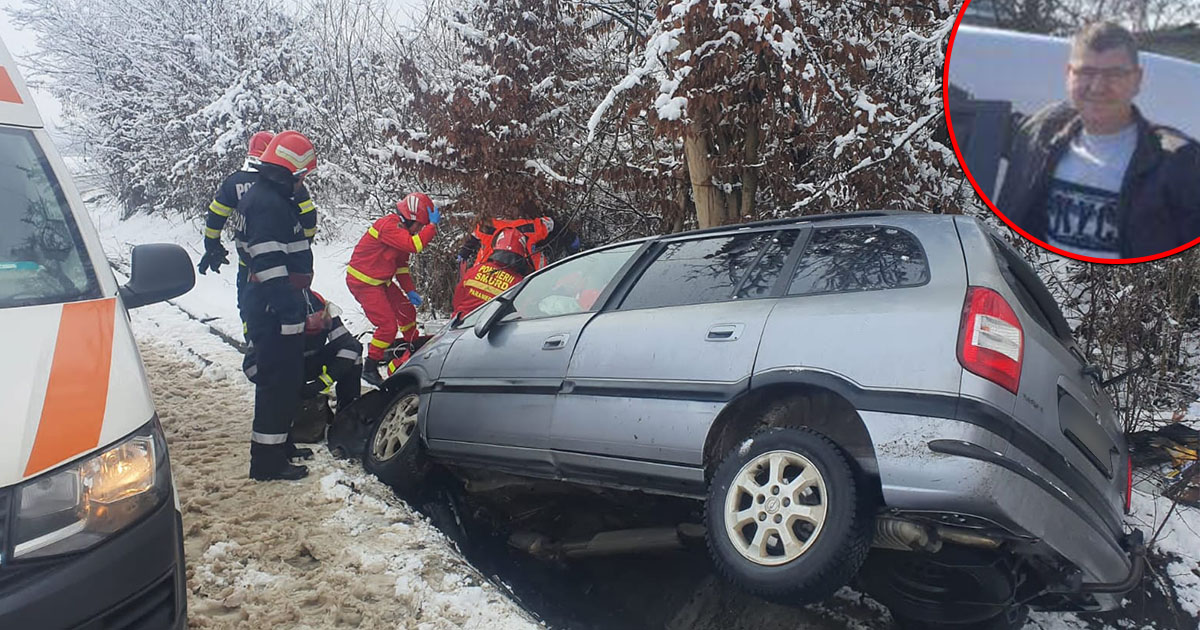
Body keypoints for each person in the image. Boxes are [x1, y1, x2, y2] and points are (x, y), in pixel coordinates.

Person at [997, 21, 1200, 259]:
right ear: (1068, 75)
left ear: (1137, 79)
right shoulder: (1038, 136)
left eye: (1115, 73)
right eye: (1086, 72)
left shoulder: (1179, 162)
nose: (1098, 86)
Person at [236, 130, 318, 481]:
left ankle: (279, 445)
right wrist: (288, 312)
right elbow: (269, 265)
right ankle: (267, 462)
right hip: (273, 306)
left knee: (287, 380)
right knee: (276, 383)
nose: (302, 183)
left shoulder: (268, 197)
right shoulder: (267, 204)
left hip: (277, 301)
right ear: (286, 172)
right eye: (300, 176)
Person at [197, 131, 321, 311]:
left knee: (251, 309)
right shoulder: (288, 181)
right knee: (289, 308)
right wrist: (301, 245)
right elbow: (309, 217)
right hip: (286, 263)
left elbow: (216, 216)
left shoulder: (234, 182)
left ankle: (252, 335)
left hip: (248, 263)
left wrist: (212, 245)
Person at [242, 288, 362, 447]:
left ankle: (347, 415)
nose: (318, 326)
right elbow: (251, 367)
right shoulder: (272, 318)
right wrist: (284, 387)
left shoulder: (320, 305)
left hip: (308, 362)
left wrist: (321, 382)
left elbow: (349, 346)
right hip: (284, 369)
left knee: (355, 354)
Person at [345, 193, 440, 385]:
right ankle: (370, 365)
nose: (420, 229)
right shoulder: (390, 226)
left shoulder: (403, 233)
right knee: (387, 326)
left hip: (381, 281)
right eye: (420, 225)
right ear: (411, 218)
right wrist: (432, 227)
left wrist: (410, 290)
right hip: (364, 283)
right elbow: (414, 246)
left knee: (406, 311)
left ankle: (411, 346)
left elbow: (401, 267)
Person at [451, 226, 532, 319]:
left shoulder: (475, 270)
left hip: (461, 326)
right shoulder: (519, 284)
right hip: (495, 331)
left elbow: (457, 299)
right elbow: (522, 314)